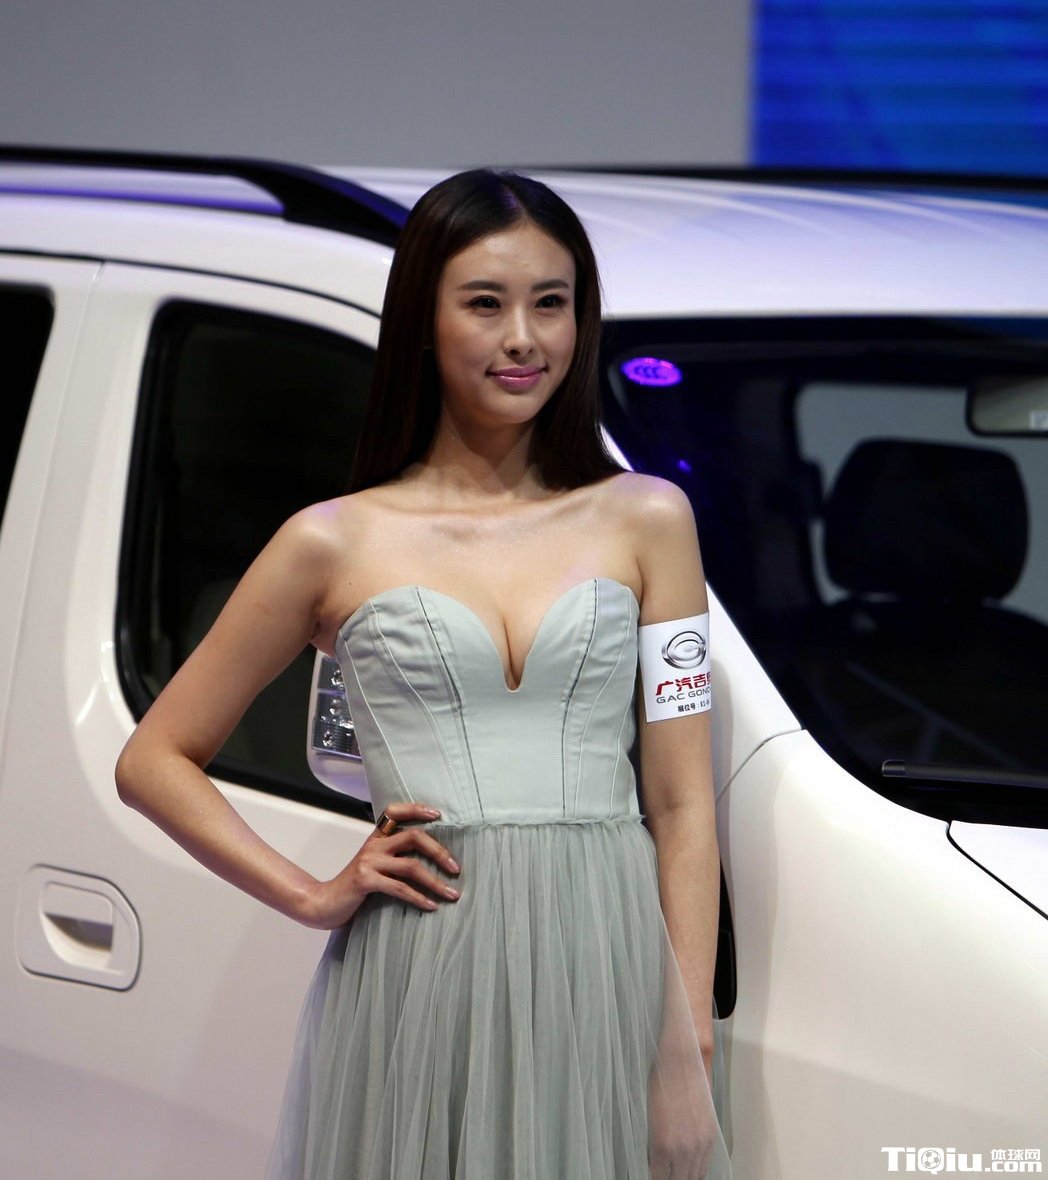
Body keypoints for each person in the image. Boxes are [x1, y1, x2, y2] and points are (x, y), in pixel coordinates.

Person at [115, 168, 733, 1179]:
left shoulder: (650, 520)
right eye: (485, 303)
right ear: (421, 321)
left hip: (606, 963)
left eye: (550, 303)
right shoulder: (332, 542)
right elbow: (154, 759)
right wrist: (313, 894)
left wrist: (687, 1031)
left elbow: (682, 800)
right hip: (423, 969)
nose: (523, 338)